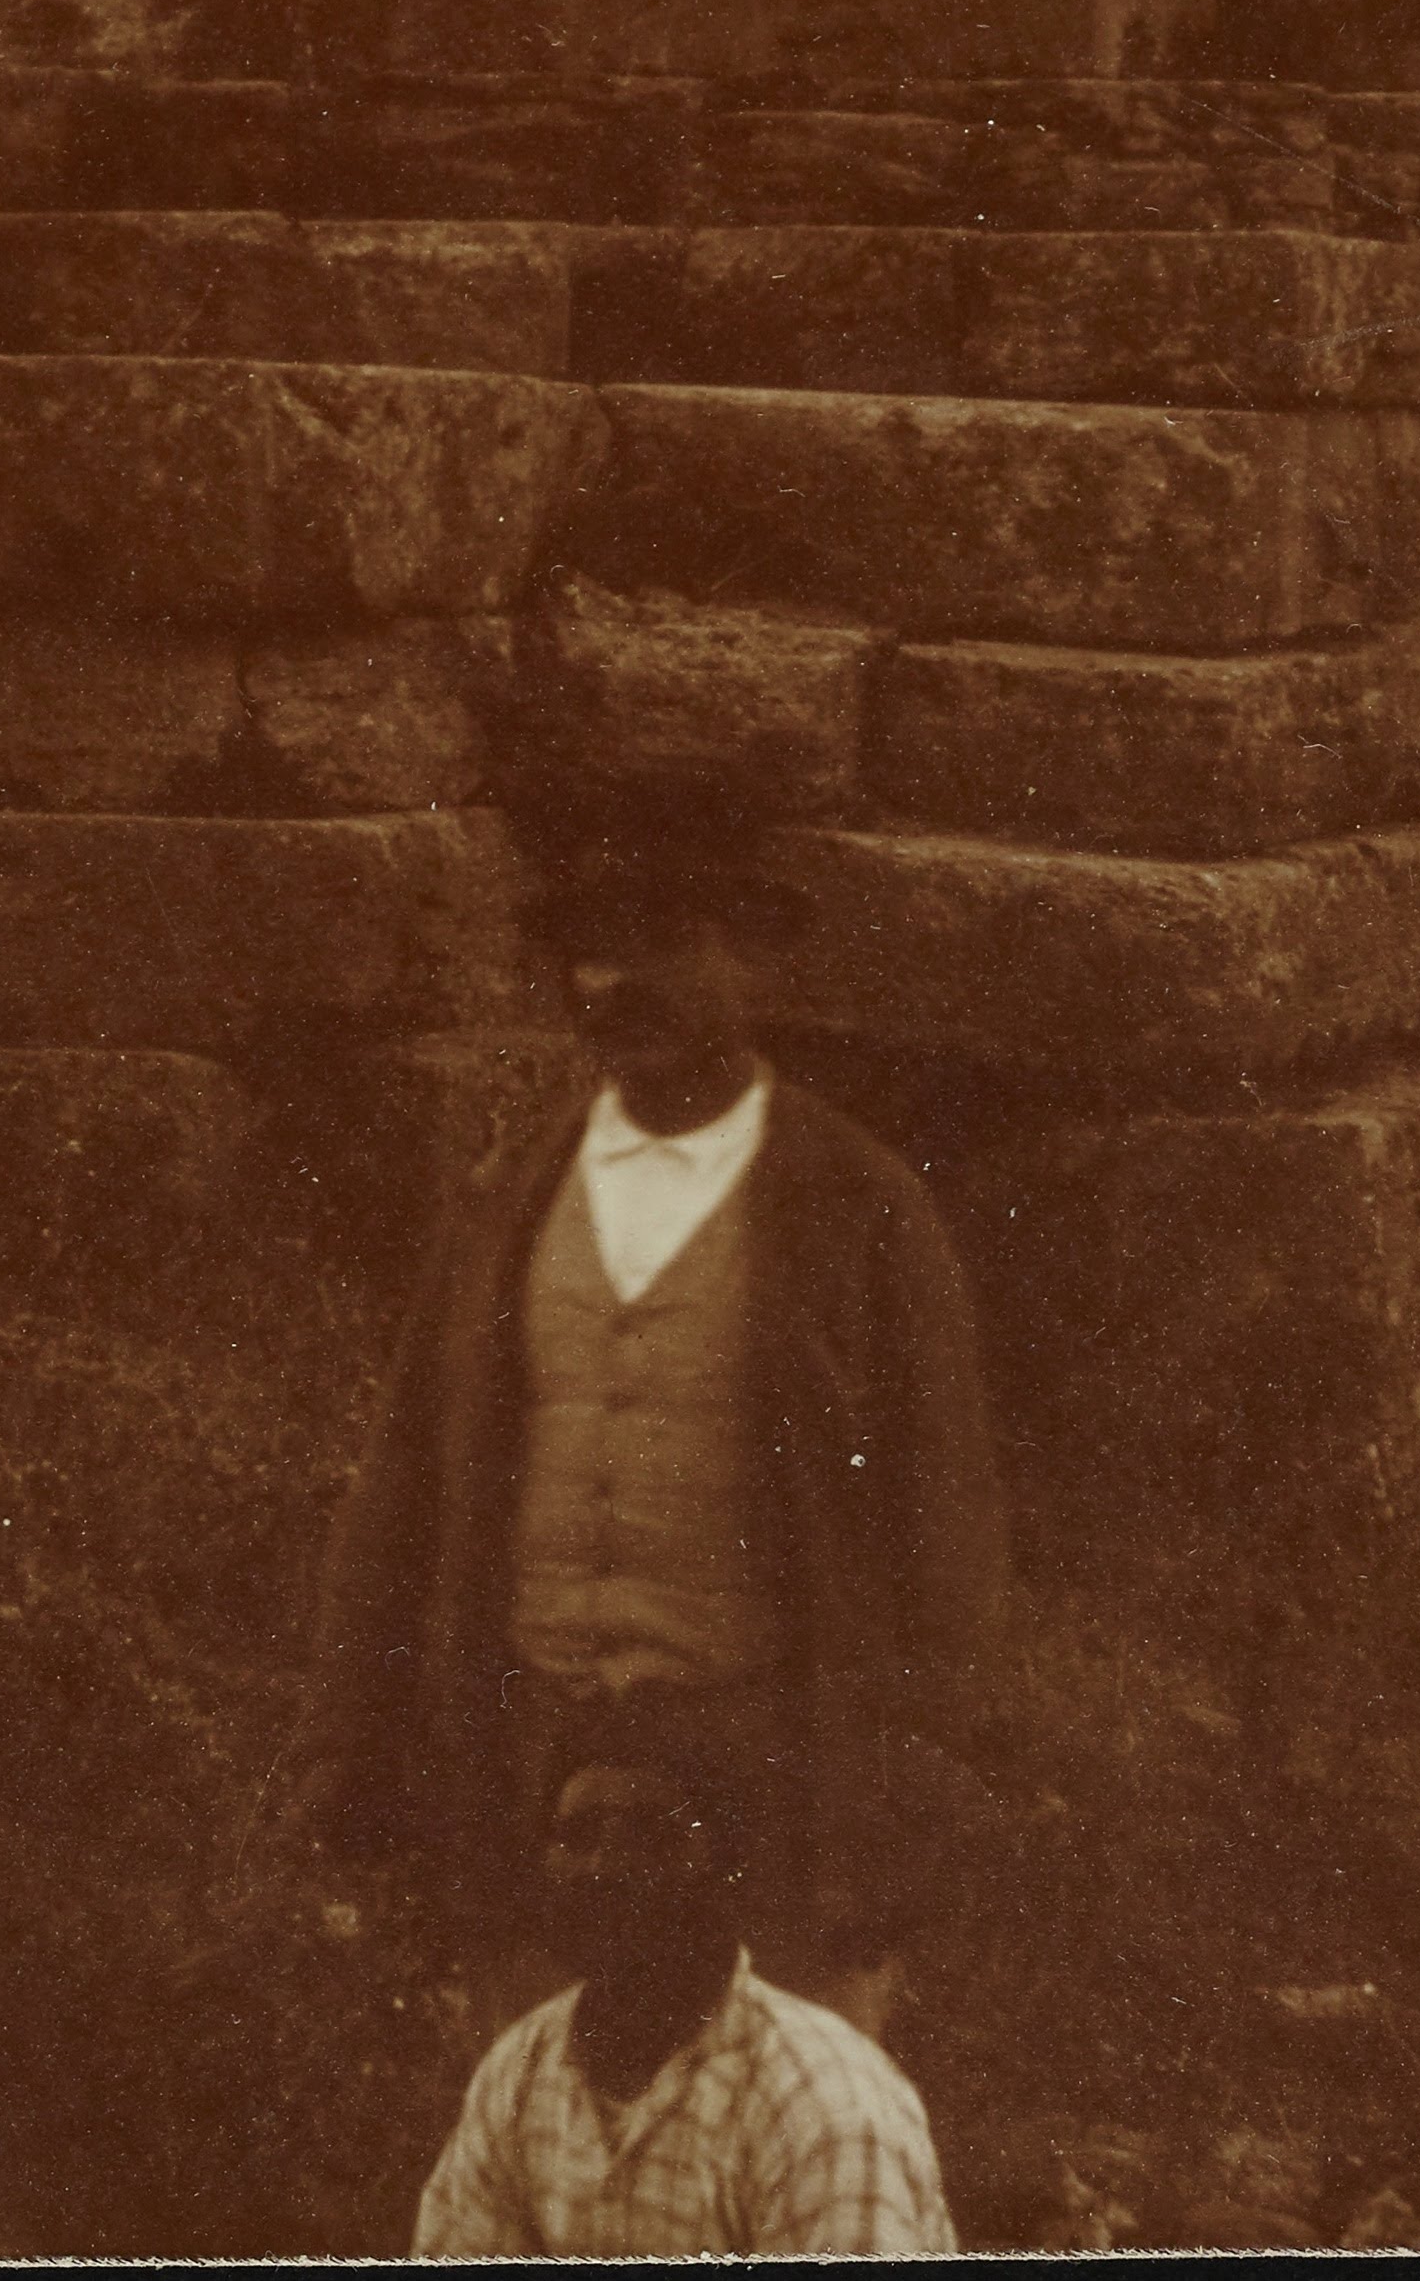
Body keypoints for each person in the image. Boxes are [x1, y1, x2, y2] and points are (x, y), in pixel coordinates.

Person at [310, 800, 1006, 2019]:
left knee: (781, 2140)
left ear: (754, 957)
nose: (616, 977)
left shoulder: (860, 1207)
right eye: (588, 947)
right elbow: (404, 1486)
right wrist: (348, 1749)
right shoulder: (504, 1198)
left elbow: (940, 1529)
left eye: (663, 941)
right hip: (538, 1760)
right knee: (549, 2135)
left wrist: (903, 1804)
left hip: (772, 1771)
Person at [411, 1744, 956, 2258]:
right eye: (579, 1835)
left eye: (653, 1836)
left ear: (726, 1874)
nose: (606, 1866)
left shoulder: (818, 2099)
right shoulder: (521, 2070)